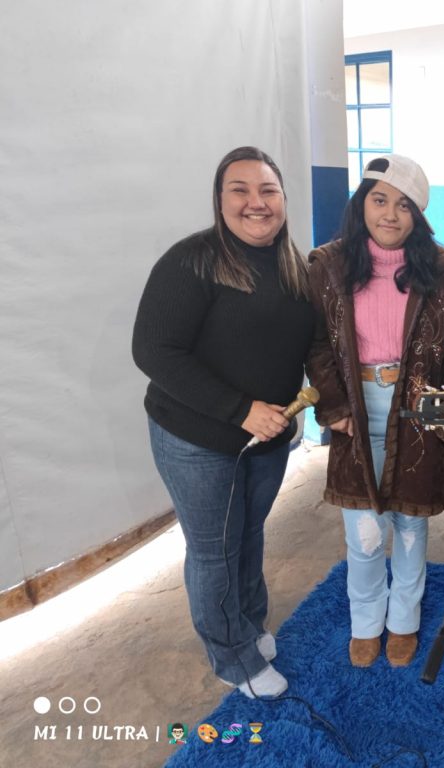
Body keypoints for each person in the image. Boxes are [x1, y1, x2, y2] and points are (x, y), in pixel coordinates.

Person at [132, 146, 314, 697]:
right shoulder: (192, 262)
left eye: (268, 191)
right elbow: (153, 351)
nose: (256, 203)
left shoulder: (292, 265)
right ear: (219, 201)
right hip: (198, 439)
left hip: (267, 440)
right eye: (240, 190)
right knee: (215, 550)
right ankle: (232, 658)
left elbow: (302, 345)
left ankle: (249, 627)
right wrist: (240, 411)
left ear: (284, 199)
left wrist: (305, 403)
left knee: (249, 537)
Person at [306, 154, 444, 668]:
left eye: (404, 205)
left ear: (419, 215)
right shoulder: (328, 267)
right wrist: (334, 405)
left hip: (419, 409)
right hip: (355, 411)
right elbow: (316, 343)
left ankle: (403, 618)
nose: (390, 214)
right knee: (363, 532)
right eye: (379, 200)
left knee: (410, 523)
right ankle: (365, 621)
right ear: (362, 204)